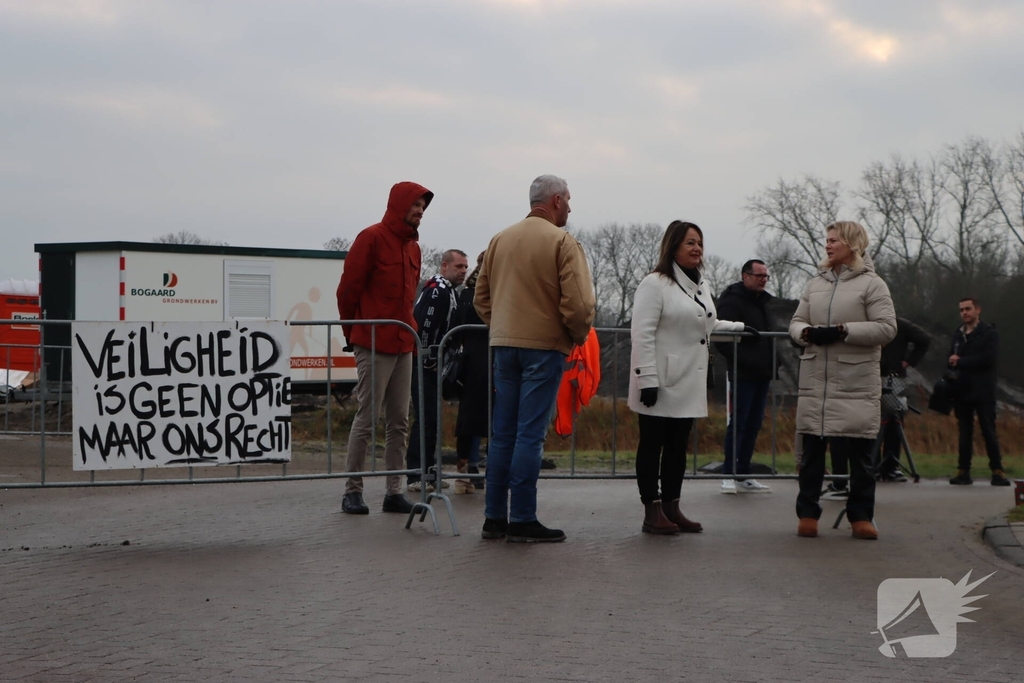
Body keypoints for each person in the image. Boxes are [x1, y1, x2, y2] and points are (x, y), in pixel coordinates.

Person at [474, 175, 595, 543]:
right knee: (530, 435)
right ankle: (523, 518)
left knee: (502, 435)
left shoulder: (500, 239)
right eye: (569, 200)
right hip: (544, 348)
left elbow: (481, 298)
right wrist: (573, 336)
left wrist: (503, 327)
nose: (571, 207)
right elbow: (580, 303)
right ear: (556, 201)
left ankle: (494, 518)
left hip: (504, 346)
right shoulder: (562, 241)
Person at [629, 221, 749, 534]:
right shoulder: (654, 284)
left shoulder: (700, 285)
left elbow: (707, 325)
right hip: (660, 380)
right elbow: (641, 334)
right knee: (652, 445)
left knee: (677, 447)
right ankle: (651, 511)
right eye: (689, 243)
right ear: (673, 247)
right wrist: (647, 380)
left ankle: (672, 506)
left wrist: (738, 329)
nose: (697, 249)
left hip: (688, 380)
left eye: (699, 243)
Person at [790, 221, 896, 540]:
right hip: (816, 381)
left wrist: (843, 331)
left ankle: (861, 516)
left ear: (852, 244)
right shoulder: (815, 283)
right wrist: (805, 333)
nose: (827, 245)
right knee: (811, 452)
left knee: (861, 456)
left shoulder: (873, 284)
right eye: (827, 240)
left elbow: (887, 328)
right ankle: (807, 513)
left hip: (855, 382)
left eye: (834, 240)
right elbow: (796, 321)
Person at [336, 181, 430, 516]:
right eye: (415, 205)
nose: (420, 211)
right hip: (373, 342)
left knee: (400, 421)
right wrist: (354, 334)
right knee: (367, 417)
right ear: (398, 205)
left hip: (404, 343)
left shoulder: (414, 249)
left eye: (423, 206)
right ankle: (353, 490)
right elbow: (347, 291)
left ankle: (394, 491)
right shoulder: (371, 238)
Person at [405, 249, 469, 492]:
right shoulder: (437, 291)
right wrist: (428, 358)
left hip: (432, 365)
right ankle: (415, 474)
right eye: (459, 266)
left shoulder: (448, 291)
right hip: (424, 365)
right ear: (444, 266)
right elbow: (424, 326)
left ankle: (429, 472)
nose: (463, 271)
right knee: (425, 419)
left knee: (431, 419)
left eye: (465, 267)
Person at [715, 259, 775, 494]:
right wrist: (742, 360)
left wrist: (773, 360)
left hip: (762, 373)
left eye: (766, 276)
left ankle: (744, 473)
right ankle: (729, 474)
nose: (763, 279)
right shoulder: (731, 302)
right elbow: (722, 339)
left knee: (754, 424)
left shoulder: (763, 302)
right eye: (759, 275)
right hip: (742, 373)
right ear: (745, 276)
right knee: (738, 423)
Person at [948, 298, 1011, 486]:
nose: (964, 313)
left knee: (988, 431)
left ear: (977, 310)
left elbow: (988, 359)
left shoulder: (989, 333)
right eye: (961, 310)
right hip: (962, 390)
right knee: (964, 432)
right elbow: (951, 358)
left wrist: (961, 361)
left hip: (983, 390)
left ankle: (997, 471)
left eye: (968, 309)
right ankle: (963, 471)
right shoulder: (958, 334)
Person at [877, 317, 930, 482]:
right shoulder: (869, 322)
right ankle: (872, 464)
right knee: (869, 422)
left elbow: (925, 339)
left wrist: (908, 362)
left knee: (894, 422)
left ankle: (891, 466)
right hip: (870, 375)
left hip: (894, 377)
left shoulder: (900, 324)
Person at [453, 252, 489, 495]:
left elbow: (457, 329)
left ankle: (465, 471)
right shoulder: (495, 294)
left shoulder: (466, 293)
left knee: (469, 417)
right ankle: (487, 470)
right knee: (494, 416)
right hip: (491, 357)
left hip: (470, 360)